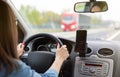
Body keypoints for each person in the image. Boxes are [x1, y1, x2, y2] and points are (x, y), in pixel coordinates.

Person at [0, 1, 69, 77]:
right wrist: (59, 58)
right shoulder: (13, 68)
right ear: (8, 29)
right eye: (14, 22)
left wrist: (14, 56)